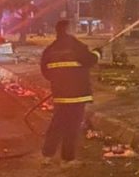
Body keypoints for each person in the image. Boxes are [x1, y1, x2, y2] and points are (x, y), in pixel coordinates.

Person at [40, 19, 101, 165]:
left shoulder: (50, 49)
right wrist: (98, 53)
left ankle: (47, 155)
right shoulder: (76, 46)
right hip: (77, 95)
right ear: (68, 30)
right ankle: (67, 158)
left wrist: (59, 80)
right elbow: (89, 60)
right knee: (72, 127)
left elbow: (45, 72)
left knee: (57, 124)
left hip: (60, 95)